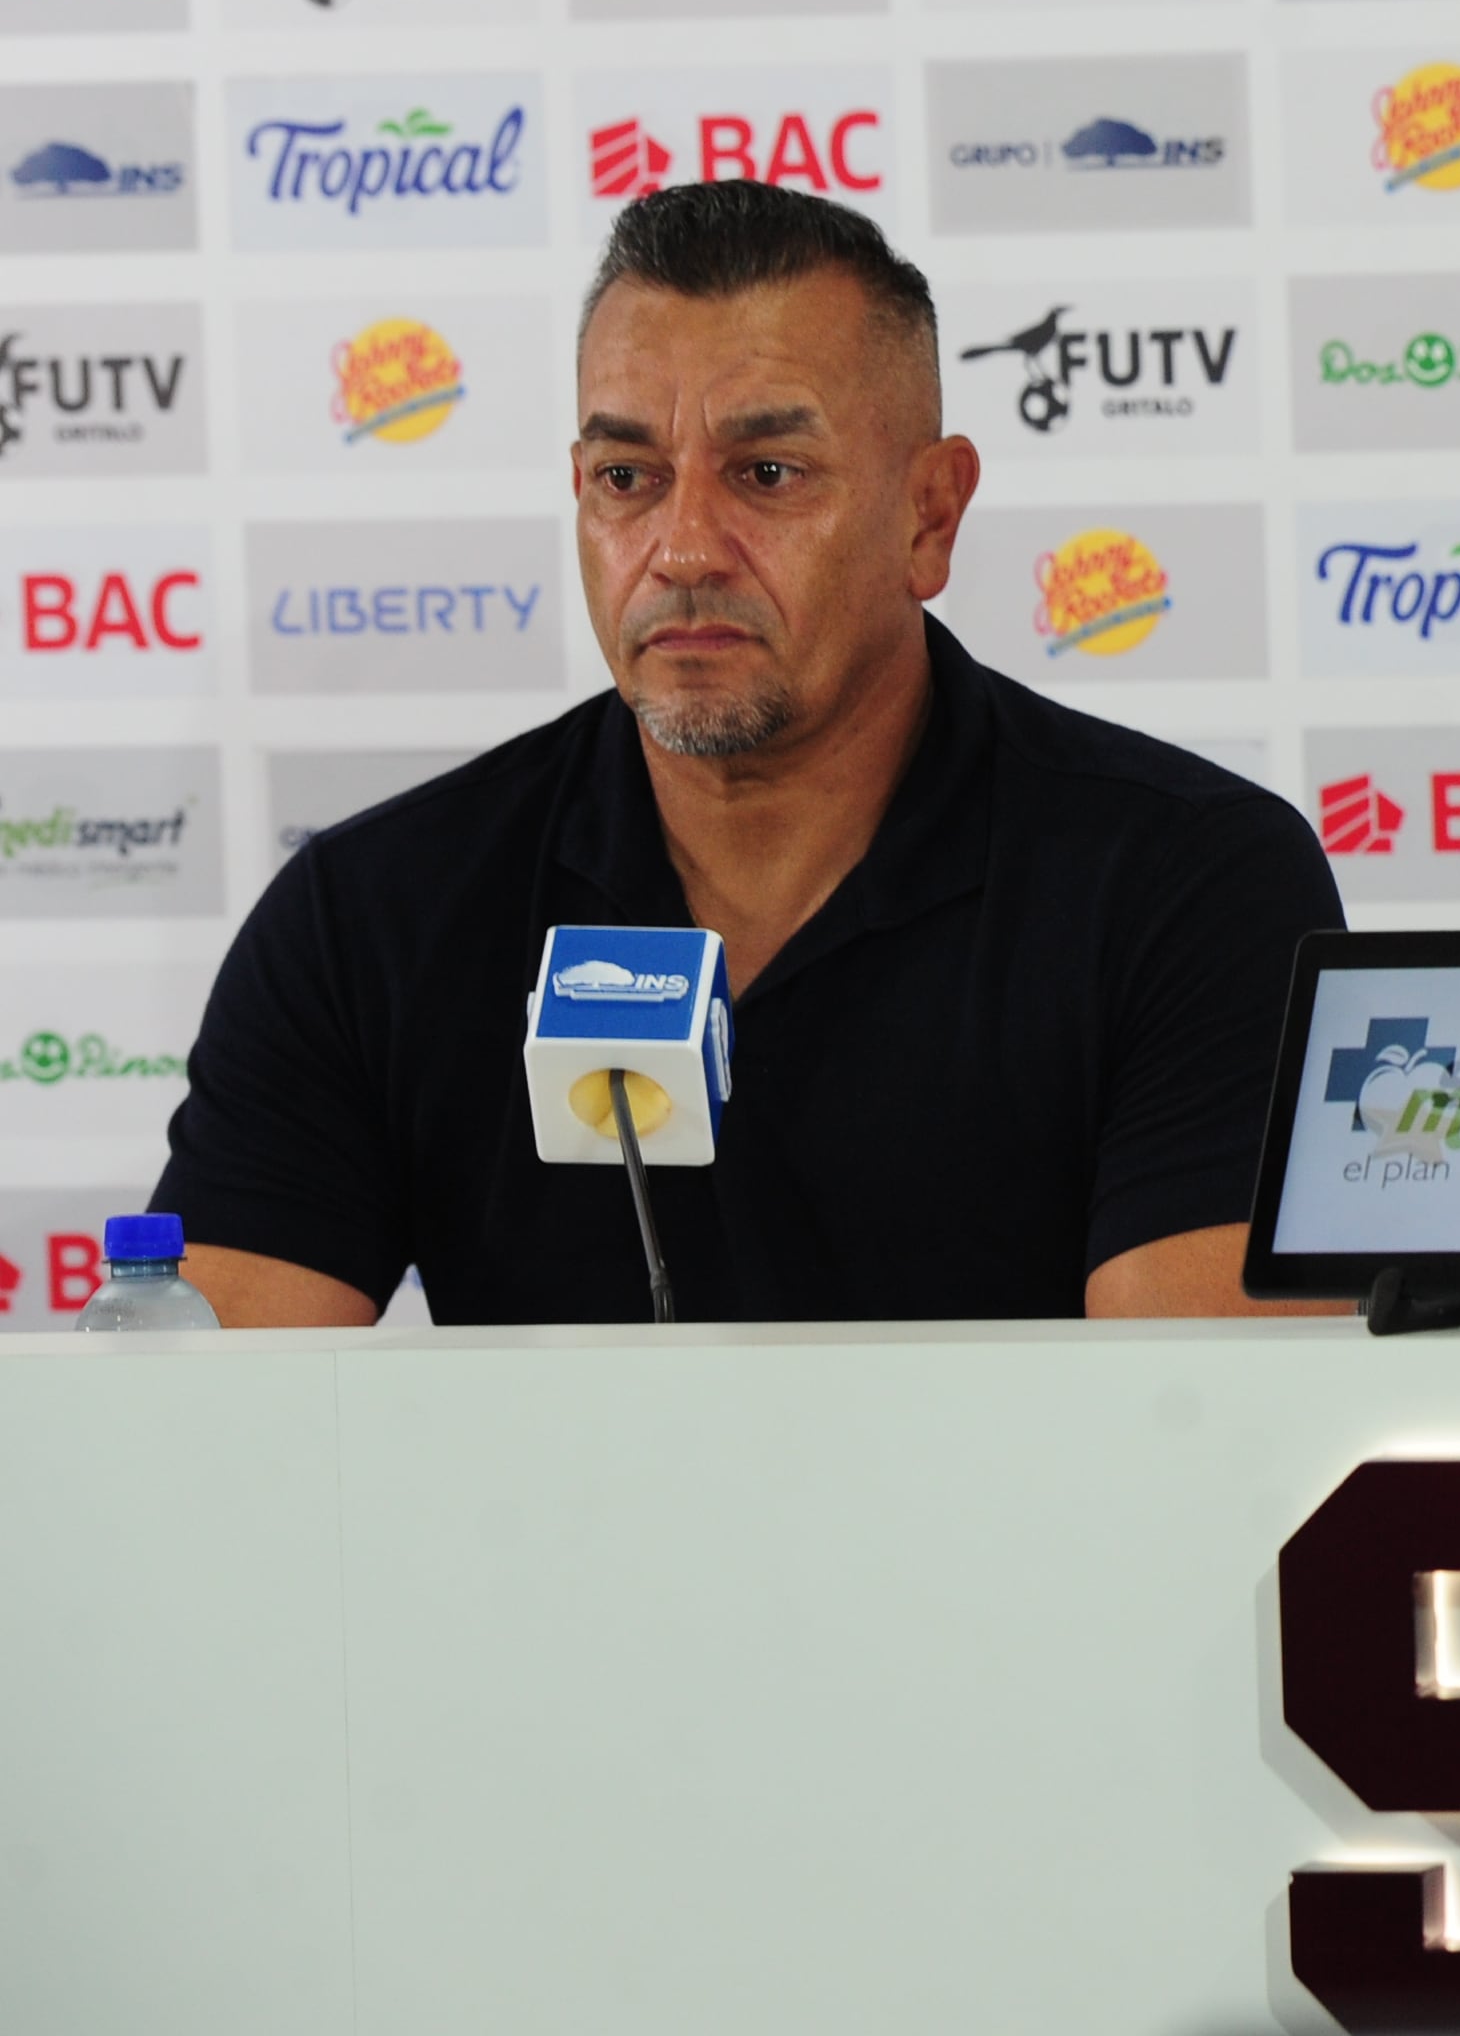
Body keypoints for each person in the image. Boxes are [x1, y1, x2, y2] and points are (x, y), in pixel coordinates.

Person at [153, 182, 1345, 1324]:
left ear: (929, 516)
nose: (682, 551)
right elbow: (201, 1421)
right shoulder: (374, 916)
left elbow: (1203, 1422)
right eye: (627, 478)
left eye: (767, 475)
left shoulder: (1185, 884)